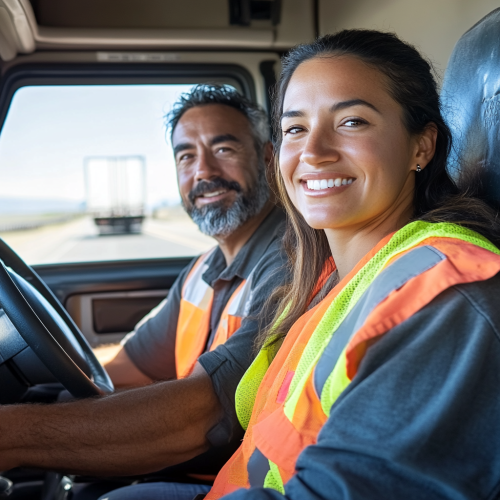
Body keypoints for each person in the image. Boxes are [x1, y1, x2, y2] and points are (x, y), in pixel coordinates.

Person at [3, 28, 500, 500]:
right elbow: (135, 365)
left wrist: (17, 433)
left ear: (422, 145)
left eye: (352, 122)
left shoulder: (444, 295)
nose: (315, 151)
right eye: (296, 128)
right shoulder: (326, 280)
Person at [96, 84, 286, 390]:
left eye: (223, 150)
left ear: (267, 158)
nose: (203, 172)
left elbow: (203, 410)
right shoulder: (201, 270)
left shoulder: (290, 261)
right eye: (186, 156)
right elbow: (131, 364)